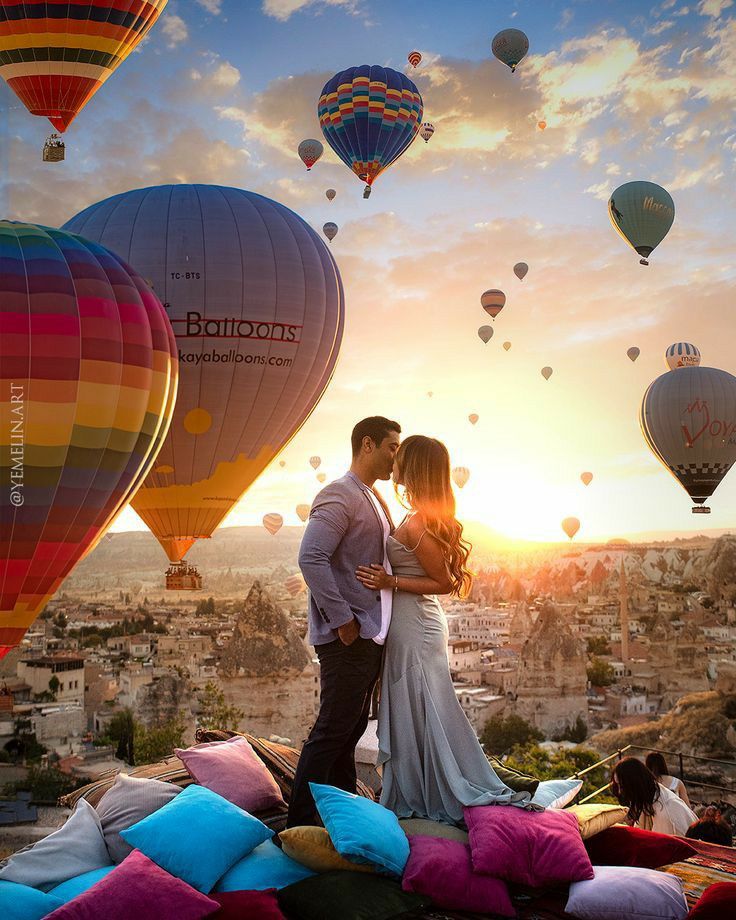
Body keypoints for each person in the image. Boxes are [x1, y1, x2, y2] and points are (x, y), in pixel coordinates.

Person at [356, 435, 535, 825]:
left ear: (415, 467)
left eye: (401, 457)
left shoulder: (420, 523)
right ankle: (416, 785)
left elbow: (445, 582)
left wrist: (391, 583)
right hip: (411, 621)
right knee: (415, 701)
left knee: (423, 701)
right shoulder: (416, 517)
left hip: (417, 622)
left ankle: (428, 788)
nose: (395, 462)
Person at [287, 417, 401, 828]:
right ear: (367, 445)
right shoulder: (341, 493)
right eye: (391, 447)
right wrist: (343, 622)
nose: (396, 456)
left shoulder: (372, 497)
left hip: (369, 635)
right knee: (332, 730)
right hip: (350, 637)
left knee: (350, 729)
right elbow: (310, 557)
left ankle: (339, 815)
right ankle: (298, 824)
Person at [611, 757, 697, 836]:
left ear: (635, 784)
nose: (620, 791)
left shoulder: (665, 813)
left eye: (621, 786)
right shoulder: (652, 797)